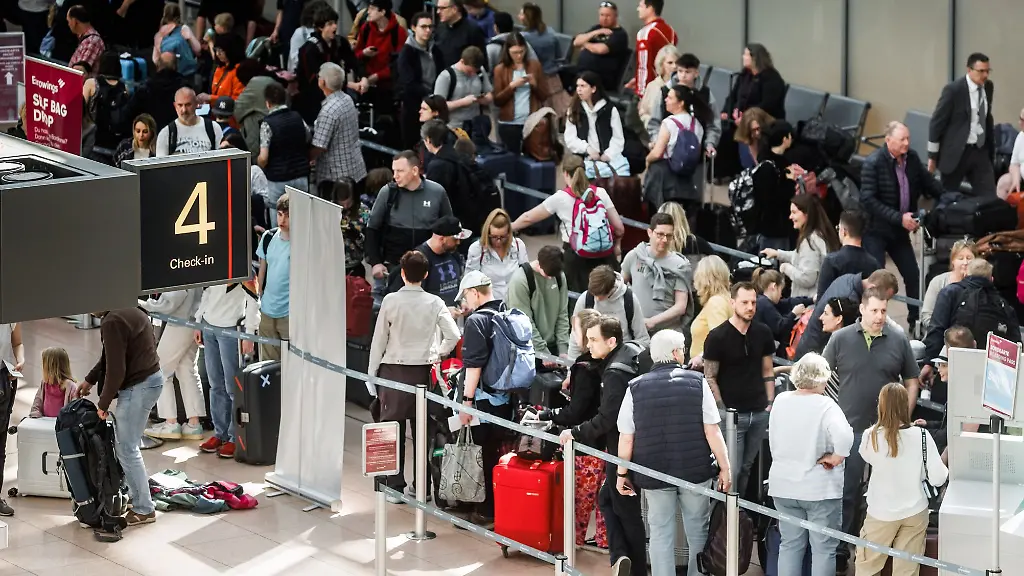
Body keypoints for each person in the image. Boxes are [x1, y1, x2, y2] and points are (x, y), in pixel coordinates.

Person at [616, 329, 732, 576]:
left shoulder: (634, 388)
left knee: (659, 531)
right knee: (697, 529)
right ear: (676, 353)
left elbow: (627, 438)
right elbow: (713, 431)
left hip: (652, 472)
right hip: (695, 470)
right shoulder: (698, 382)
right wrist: (725, 466)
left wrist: (621, 473)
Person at [823, 287, 922, 572]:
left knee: (884, 494)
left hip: (889, 433)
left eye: (884, 310)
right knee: (848, 492)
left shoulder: (898, 339)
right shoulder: (840, 339)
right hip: (850, 430)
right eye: (875, 310)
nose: (880, 316)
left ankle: (876, 551)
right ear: (863, 309)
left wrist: (903, 417)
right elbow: (821, 376)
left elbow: (912, 381)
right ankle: (843, 548)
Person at [557, 315, 645, 576]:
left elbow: (608, 418)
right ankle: (621, 556)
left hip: (623, 451)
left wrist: (576, 432)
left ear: (612, 341)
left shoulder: (615, 372)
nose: (589, 344)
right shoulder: (631, 353)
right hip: (628, 448)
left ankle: (634, 567)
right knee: (607, 498)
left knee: (626, 510)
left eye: (594, 340)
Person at [370, 250, 460, 502]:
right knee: (424, 431)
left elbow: (379, 341)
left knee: (391, 430)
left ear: (402, 273)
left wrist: (371, 375)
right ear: (426, 274)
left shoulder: (390, 301)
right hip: (424, 373)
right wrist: (438, 353)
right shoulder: (436, 303)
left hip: (393, 371)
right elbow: (453, 335)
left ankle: (394, 486)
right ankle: (421, 487)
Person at [768, 352, 854, 576]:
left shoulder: (781, 400)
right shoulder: (826, 405)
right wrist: (836, 457)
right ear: (823, 378)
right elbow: (844, 437)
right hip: (819, 488)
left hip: (784, 485)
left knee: (790, 545)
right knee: (823, 549)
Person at [79, 307, 162, 527]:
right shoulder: (128, 309)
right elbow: (110, 356)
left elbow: (116, 369)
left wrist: (103, 404)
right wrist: (90, 379)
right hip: (151, 379)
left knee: (127, 448)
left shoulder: (112, 322)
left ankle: (144, 509)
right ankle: (135, 497)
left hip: (139, 387)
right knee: (126, 445)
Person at [532, 309, 606, 550]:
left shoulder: (583, 368)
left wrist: (550, 414)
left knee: (580, 501)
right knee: (605, 503)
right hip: (609, 442)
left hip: (586, 442)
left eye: (575, 329)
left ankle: (572, 546)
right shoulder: (608, 362)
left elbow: (576, 412)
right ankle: (607, 544)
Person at [856, 383, 948, 576]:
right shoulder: (922, 436)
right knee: (907, 571)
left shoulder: (871, 436)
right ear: (906, 404)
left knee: (868, 568)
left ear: (881, 405)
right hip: (915, 512)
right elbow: (939, 478)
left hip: (880, 512)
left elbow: (868, 457)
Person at [861, 120, 944, 326]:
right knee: (877, 279)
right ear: (888, 140)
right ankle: (874, 320)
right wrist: (900, 218)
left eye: (908, 138)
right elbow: (868, 200)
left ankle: (915, 319)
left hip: (899, 231)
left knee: (912, 274)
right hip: (876, 230)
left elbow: (929, 183)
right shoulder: (873, 163)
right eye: (902, 139)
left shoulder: (912, 158)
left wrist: (948, 198)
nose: (907, 143)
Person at [511, 154, 625, 293]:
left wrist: (510, 227)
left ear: (565, 173)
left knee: (577, 305)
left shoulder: (560, 198)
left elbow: (529, 218)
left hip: (576, 260)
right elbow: (619, 228)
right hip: (605, 258)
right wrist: (617, 245)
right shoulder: (600, 193)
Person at [702, 281, 776, 496]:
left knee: (746, 468)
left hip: (759, 411)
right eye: (744, 302)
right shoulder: (717, 336)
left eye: (753, 302)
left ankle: (740, 517)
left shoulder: (762, 332)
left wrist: (769, 404)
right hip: (732, 415)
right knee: (730, 469)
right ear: (732, 302)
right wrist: (723, 410)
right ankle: (726, 519)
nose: (750, 307)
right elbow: (710, 377)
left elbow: (767, 369)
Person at [456, 271, 516, 528]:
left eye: (465, 298)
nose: (465, 304)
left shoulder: (476, 321)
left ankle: (485, 510)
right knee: (496, 454)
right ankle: (500, 507)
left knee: (481, 456)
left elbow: (473, 366)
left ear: (474, 292)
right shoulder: (507, 313)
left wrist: (466, 402)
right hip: (505, 400)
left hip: (482, 400)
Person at [365, 151, 454, 304]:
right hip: (393, 267)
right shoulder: (388, 193)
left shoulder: (437, 192)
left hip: (428, 269)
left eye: (400, 171)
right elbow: (372, 229)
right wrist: (375, 262)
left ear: (414, 171)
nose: (395, 176)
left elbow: (449, 228)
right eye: (394, 171)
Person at [194, 280, 258, 459]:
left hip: (230, 329)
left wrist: (250, 333)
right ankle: (219, 433)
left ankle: (233, 436)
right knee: (215, 385)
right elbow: (206, 292)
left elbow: (254, 299)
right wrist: (199, 321)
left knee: (232, 387)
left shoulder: (243, 268)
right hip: (209, 326)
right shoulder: (215, 261)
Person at [923, 257, 1020, 366]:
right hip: (990, 369)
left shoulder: (950, 292)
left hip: (955, 365)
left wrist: (929, 363)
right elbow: (1015, 342)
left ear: (965, 275)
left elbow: (937, 329)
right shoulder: (1002, 304)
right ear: (991, 279)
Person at [140, 290, 206, 442]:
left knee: (159, 371)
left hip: (179, 321)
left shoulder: (179, 266)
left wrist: (142, 304)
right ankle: (193, 424)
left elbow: (172, 300)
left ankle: (171, 423)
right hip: (195, 320)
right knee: (187, 371)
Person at [927, 53, 996, 196]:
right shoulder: (954, 90)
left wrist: (990, 148)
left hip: (980, 151)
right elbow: (936, 123)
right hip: (957, 153)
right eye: (981, 71)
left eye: (987, 71)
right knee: (946, 198)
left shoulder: (988, 87)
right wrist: (932, 156)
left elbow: (986, 117)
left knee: (989, 198)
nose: (985, 75)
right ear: (969, 70)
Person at [795, 269, 901, 361]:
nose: (884, 301)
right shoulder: (849, 301)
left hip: (811, 347)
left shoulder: (848, 279)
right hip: (815, 356)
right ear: (873, 287)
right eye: (884, 298)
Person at [643, 84, 714, 210]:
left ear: (681, 103)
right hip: (686, 179)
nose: (666, 100)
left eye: (670, 98)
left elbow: (658, 153)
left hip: (664, 176)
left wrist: (648, 160)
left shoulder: (669, 122)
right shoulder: (697, 125)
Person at [421, 120, 497, 236]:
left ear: (428, 140)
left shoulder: (438, 165)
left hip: (455, 224)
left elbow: (433, 201)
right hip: (472, 218)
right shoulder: (460, 156)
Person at [621, 213, 693, 334]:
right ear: (650, 232)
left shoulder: (680, 265)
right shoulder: (635, 255)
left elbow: (681, 306)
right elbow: (618, 287)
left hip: (668, 332)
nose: (664, 240)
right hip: (636, 330)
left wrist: (652, 321)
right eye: (660, 234)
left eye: (669, 236)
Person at [761, 193, 840, 299]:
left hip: (807, 303)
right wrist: (777, 254)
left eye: (794, 212)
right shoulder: (819, 234)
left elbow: (807, 278)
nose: (790, 217)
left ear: (806, 214)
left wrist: (786, 268)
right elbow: (801, 256)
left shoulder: (809, 241)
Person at [568, 265, 650, 360]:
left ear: (611, 289)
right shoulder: (585, 299)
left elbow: (642, 339)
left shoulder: (629, 299)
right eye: (594, 294)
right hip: (592, 360)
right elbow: (575, 337)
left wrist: (630, 357)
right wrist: (572, 368)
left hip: (622, 360)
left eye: (600, 295)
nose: (596, 298)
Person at [506, 245, 571, 364]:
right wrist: (543, 352)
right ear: (539, 264)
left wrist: (563, 349)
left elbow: (563, 313)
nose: (550, 278)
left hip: (553, 346)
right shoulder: (520, 280)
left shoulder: (559, 276)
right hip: (528, 349)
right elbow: (524, 323)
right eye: (547, 275)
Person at [387, 216, 470, 307]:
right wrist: (443, 312)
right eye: (455, 239)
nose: (458, 242)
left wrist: (462, 300)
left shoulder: (453, 253)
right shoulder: (418, 259)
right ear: (442, 238)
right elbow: (413, 299)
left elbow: (458, 282)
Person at [295, 4, 358, 125]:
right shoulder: (310, 49)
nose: (335, 26)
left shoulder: (340, 42)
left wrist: (362, 78)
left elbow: (353, 62)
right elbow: (314, 80)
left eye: (335, 22)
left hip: (338, 96)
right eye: (329, 24)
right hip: (314, 100)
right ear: (320, 27)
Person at [747, 120, 803, 251]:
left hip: (779, 225)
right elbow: (772, 200)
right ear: (784, 139)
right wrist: (789, 182)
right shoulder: (768, 167)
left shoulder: (777, 162)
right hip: (772, 228)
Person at [258, 82, 310, 222]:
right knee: (302, 220)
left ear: (268, 103)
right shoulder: (297, 117)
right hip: (301, 175)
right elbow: (307, 137)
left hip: (278, 179)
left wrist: (258, 164)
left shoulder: (267, 124)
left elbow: (264, 157)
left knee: (279, 224)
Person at [311, 62, 368, 187]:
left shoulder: (328, 111)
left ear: (322, 83)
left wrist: (303, 160)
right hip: (355, 168)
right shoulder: (347, 99)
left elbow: (319, 146)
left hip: (336, 177)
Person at [565, 71, 630, 178]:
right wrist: (587, 149)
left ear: (593, 89)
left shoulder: (609, 110)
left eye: (583, 86)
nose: (579, 90)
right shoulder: (574, 110)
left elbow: (618, 138)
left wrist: (608, 155)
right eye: (577, 86)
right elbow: (570, 139)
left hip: (608, 158)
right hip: (584, 158)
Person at [493, 31, 549, 153]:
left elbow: (544, 95)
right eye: (514, 53)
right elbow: (497, 100)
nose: (519, 56)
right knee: (511, 158)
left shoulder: (535, 66)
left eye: (521, 52)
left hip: (531, 121)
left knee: (532, 158)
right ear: (507, 51)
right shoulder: (500, 69)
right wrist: (511, 87)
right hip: (509, 122)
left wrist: (534, 85)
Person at [397, 11, 446, 149]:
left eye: (430, 27)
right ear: (413, 28)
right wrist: (430, 93)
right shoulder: (407, 52)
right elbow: (408, 82)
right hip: (413, 107)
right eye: (423, 27)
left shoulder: (435, 50)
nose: (428, 30)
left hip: (433, 105)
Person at [352, 0, 408, 108]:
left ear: (382, 12)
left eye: (372, 9)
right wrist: (364, 53)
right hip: (365, 83)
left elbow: (399, 63)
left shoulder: (398, 32)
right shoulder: (366, 28)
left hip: (388, 87)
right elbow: (356, 55)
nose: (368, 12)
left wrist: (377, 76)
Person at [257, 193, 292, 361]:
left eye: (287, 215)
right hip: (267, 310)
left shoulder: (303, 242)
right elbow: (262, 270)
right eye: (279, 214)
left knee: (291, 363)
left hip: (290, 313)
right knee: (268, 366)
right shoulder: (268, 237)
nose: (282, 220)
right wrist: (259, 297)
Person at [466, 208, 529, 301]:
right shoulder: (477, 249)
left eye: (503, 237)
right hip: (489, 302)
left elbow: (526, 274)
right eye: (494, 237)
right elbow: (469, 280)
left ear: (509, 233)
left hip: (514, 300)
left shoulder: (518, 245)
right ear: (487, 233)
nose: (498, 241)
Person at [816, 210, 882, 298]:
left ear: (844, 231)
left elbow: (821, 299)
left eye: (838, 228)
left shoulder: (832, 261)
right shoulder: (874, 263)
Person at [751, 268, 812, 357]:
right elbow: (780, 328)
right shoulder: (765, 305)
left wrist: (811, 300)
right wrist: (793, 314)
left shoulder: (763, 301)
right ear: (774, 287)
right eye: (780, 290)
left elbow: (789, 302)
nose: (781, 295)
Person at [572, 1, 630, 93]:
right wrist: (595, 32)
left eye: (608, 15)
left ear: (615, 16)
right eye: (602, 15)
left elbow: (601, 49)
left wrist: (585, 44)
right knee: (562, 73)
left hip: (602, 78)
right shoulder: (597, 28)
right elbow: (576, 42)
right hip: (583, 73)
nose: (604, 18)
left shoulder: (620, 34)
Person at [433, 46, 493, 133]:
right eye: (469, 71)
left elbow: (490, 93)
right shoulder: (446, 76)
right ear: (462, 61)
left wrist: (485, 99)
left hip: (476, 125)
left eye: (475, 72)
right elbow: (438, 106)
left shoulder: (480, 71)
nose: (472, 74)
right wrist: (462, 102)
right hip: (454, 127)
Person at [723, 43, 786, 122]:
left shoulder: (772, 78)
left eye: (746, 55)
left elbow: (767, 106)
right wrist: (726, 111)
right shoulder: (745, 74)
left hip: (761, 123)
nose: (743, 57)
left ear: (755, 58)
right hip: (739, 119)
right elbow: (732, 96)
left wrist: (746, 117)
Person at [126, 51, 188, 132]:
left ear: (158, 65)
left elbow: (129, 113)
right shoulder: (185, 87)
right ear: (176, 66)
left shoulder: (146, 87)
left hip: (151, 136)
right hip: (179, 133)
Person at [921, 239, 976, 328]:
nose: (965, 262)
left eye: (969, 258)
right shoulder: (938, 282)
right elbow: (926, 315)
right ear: (953, 261)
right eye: (960, 258)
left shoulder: (979, 284)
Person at [688, 255, 733, 362]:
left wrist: (700, 357)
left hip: (710, 369)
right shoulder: (727, 299)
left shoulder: (716, 302)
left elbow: (720, 340)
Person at [627, 0, 676, 97]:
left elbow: (644, 66)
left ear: (650, 9)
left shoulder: (645, 33)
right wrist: (637, 80)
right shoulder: (671, 31)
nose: (638, 9)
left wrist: (642, 92)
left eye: (641, 6)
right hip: (667, 88)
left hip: (649, 90)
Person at [155, 87, 223, 156]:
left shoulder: (213, 128)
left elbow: (222, 160)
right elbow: (161, 165)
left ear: (196, 104)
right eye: (180, 105)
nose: (184, 110)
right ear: (175, 106)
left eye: (188, 105)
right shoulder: (166, 133)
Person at [326, 179, 372, 276]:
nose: (346, 206)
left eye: (349, 203)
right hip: (331, 265)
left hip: (354, 265)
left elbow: (369, 245)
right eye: (342, 204)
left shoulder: (363, 211)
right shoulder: (327, 209)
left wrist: (356, 235)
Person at [29, 347, 80, 419]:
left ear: (51, 367)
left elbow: (75, 407)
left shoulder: (70, 386)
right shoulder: (45, 383)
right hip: (44, 422)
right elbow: (37, 401)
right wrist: (35, 413)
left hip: (61, 425)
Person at [152, 3, 200, 79]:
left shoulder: (161, 33)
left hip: (167, 74)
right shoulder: (184, 29)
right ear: (179, 15)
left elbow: (155, 58)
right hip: (186, 73)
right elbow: (197, 49)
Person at [434, 0, 486, 68]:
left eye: (442, 8)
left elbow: (481, 60)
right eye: (438, 8)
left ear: (454, 9)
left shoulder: (472, 30)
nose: (438, 12)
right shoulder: (440, 28)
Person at [202, 33, 246, 110]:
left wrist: (211, 98)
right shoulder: (219, 68)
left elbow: (237, 100)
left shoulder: (240, 71)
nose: (218, 54)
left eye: (221, 50)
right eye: (216, 50)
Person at [638, 45, 678, 129]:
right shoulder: (652, 86)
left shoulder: (682, 87)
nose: (674, 66)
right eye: (670, 63)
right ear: (661, 64)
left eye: (677, 63)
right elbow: (642, 113)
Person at [517, 3, 557, 74]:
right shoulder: (551, 32)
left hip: (534, 76)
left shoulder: (522, 37)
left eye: (521, 14)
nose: (518, 16)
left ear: (527, 17)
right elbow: (557, 55)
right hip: (552, 73)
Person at [68, 6, 105, 72]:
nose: (68, 24)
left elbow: (80, 72)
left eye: (68, 21)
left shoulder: (92, 41)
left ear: (74, 22)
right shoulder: (85, 39)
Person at [998, 107, 1024, 198]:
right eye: (1020, 119)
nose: (1020, 123)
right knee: (1004, 182)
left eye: (1023, 120)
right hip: (1022, 178)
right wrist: (1016, 180)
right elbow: (1014, 164)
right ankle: (1001, 211)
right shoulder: (1021, 136)